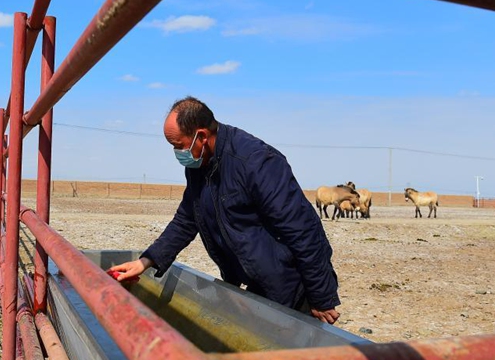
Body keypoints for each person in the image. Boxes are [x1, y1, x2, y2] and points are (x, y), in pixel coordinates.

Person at [110, 97, 340, 324]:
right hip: (255, 283)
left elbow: (303, 231)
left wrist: (321, 297)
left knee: (290, 346)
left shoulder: (256, 162)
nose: (177, 153)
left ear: (201, 136)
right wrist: (146, 261)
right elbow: (187, 218)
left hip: (289, 284)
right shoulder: (200, 165)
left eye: (178, 146)